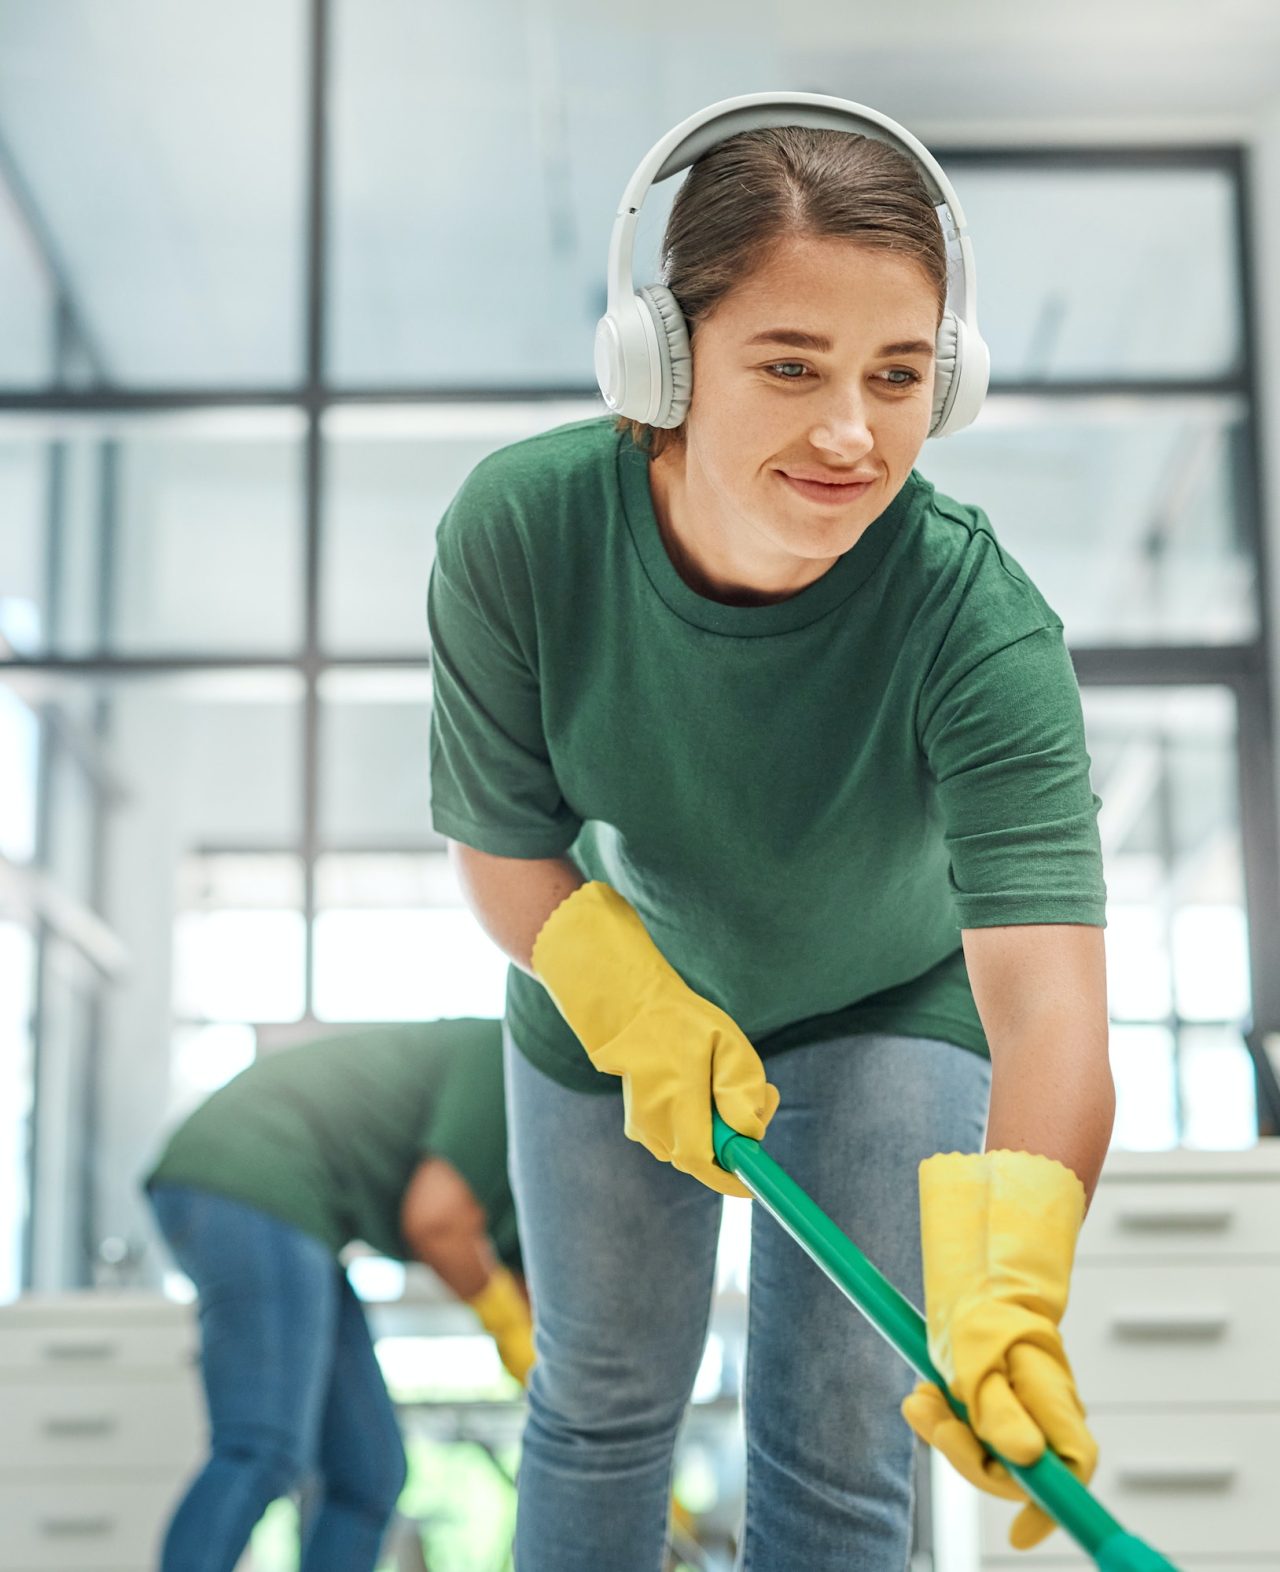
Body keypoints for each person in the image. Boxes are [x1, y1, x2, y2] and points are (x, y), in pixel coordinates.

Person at [427, 93, 1113, 1572]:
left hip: (886, 999)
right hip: (610, 990)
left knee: (844, 1438)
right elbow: (503, 844)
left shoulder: (978, 627)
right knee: (600, 1406)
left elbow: (1047, 992)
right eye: (790, 365)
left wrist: (1012, 1286)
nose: (853, 432)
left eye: (900, 374)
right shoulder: (525, 533)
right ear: (660, 362)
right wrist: (621, 999)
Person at [141, 1018, 532, 1572]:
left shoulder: (535, 1183)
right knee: (261, 1445)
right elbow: (437, 1222)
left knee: (368, 1472)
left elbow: (532, 1293)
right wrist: (510, 1331)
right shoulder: (507, 1062)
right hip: (253, 1174)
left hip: (296, 1210)